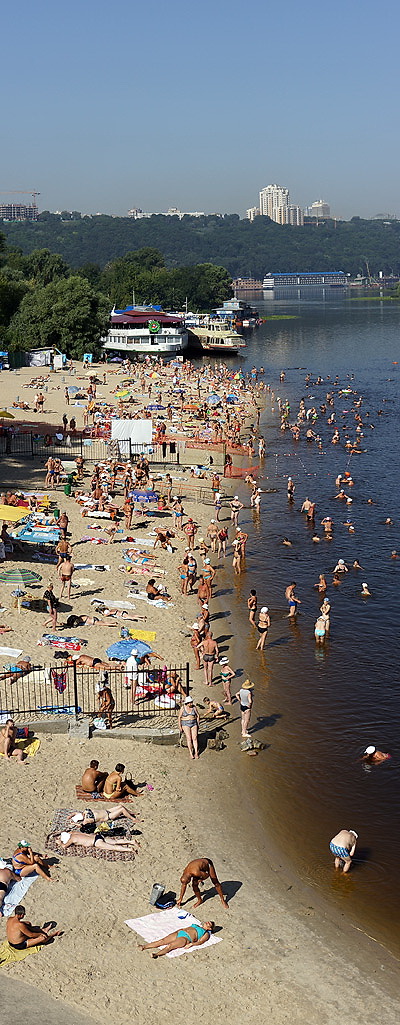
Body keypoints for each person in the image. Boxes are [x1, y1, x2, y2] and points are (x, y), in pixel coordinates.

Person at [139, 921, 215, 958]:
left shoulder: (206, 934)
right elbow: (184, 928)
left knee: (170, 946)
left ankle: (156, 954)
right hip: (180, 932)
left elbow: (201, 942)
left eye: (209, 924)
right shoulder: (197, 925)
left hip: (186, 938)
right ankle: (144, 946)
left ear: (210, 928)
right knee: (161, 941)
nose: (208, 922)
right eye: (208, 921)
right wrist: (177, 931)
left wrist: (192, 944)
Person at [53, 830, 139, 853]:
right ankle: (131, 841)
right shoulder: (73, 833)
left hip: (96, 842)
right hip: (97, 836)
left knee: (113, 847)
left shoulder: (72, 839)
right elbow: (65, 832)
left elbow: (64, 846)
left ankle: (130, 849)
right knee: (115, 841)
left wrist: (60, 843)